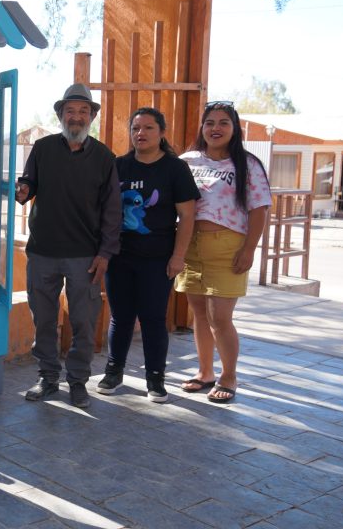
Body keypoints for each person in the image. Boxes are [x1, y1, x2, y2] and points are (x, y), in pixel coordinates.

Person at [15, 83, 121, 409]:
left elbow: (113, 211)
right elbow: (28, 184)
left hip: (85, 257)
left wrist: (105, 254)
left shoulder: (104, 157)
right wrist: (22, 190)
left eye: (83, 111)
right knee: (44, 321)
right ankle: (48, 378)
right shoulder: (42, 148)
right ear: (61, 115)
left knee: (84, 324)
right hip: (42, 252)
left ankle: (77, 382)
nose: (76, 117)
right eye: (70, 111)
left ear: (91, 117)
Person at [95, 108, 199, 403]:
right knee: (120, 317)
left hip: (157, 258)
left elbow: (187, 217)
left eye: (148, 128)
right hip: (119, 257)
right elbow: (102, 210)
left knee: (153, 318)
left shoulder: (175, 169)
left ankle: (155, 378)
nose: (141, 133)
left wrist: (178, 257)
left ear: (161, 133)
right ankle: (113, 371)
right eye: (136, 128)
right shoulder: (119, 166)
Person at [175, 101, 271, 403]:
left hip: (228, 248)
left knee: (220, 318)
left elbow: (259, 209)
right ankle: (205, 372)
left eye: (223, 123)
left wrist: (249, 249)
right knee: (199, 314)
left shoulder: (248, 164)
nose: (215, 128)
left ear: (234, 128)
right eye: (210, 123)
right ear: (202, 127)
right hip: (190, 246)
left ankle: (229, 376)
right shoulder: (187, 161)